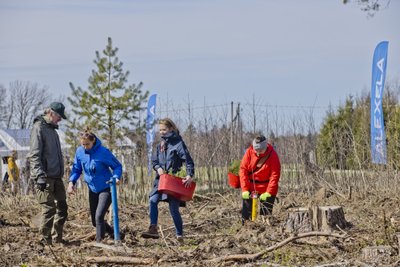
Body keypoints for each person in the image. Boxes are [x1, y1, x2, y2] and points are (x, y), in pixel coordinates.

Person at [141, 118, 195, 242]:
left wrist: (189, 175)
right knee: (152, 200)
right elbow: (154, 161)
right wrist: (158, 168)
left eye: (164, 129)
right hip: (160, 180)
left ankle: (179, 235)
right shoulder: (160, 145)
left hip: (173, 182)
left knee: (173, 209)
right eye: (160, 130)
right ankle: (153, 229)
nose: (161, 132)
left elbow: (188, 161)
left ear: (171, 129)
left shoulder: (178, 143)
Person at [67, 130, 122, 243]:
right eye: (83, 144)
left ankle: (99, 242)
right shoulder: (80, 152)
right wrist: (71, 182)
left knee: (99, 217)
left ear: (94, 141)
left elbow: (117, 166)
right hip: (92, 189)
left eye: (88, 144)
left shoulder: (103, 152)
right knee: (94, 221)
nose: (85, 147)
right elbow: (77, 169)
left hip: (106, 188)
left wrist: (116, 177)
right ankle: (113, 233)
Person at [29, 102, 68, 246]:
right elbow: (34, 154)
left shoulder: (53, 131)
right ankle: (44, 241)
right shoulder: (39, 128)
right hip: (44, 177)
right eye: (59, 116)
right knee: (49, 208)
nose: (61, 120)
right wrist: (39, 175)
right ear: (51, 113)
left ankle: (57, 238)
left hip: (56, 177)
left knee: (62, 208)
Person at [239, 135, 281, 224]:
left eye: (260, 150)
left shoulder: (273, 155)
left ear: (265, 147)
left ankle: (265, 232)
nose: (258, 153)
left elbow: (275, 175)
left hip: (267, 187)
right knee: (247, 216)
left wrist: (269, 192)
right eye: (256, 150)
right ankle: (246, 230)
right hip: (251, 187)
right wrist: (245, 190)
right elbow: (243, 170)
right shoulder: (249, 152)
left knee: (266, 215)